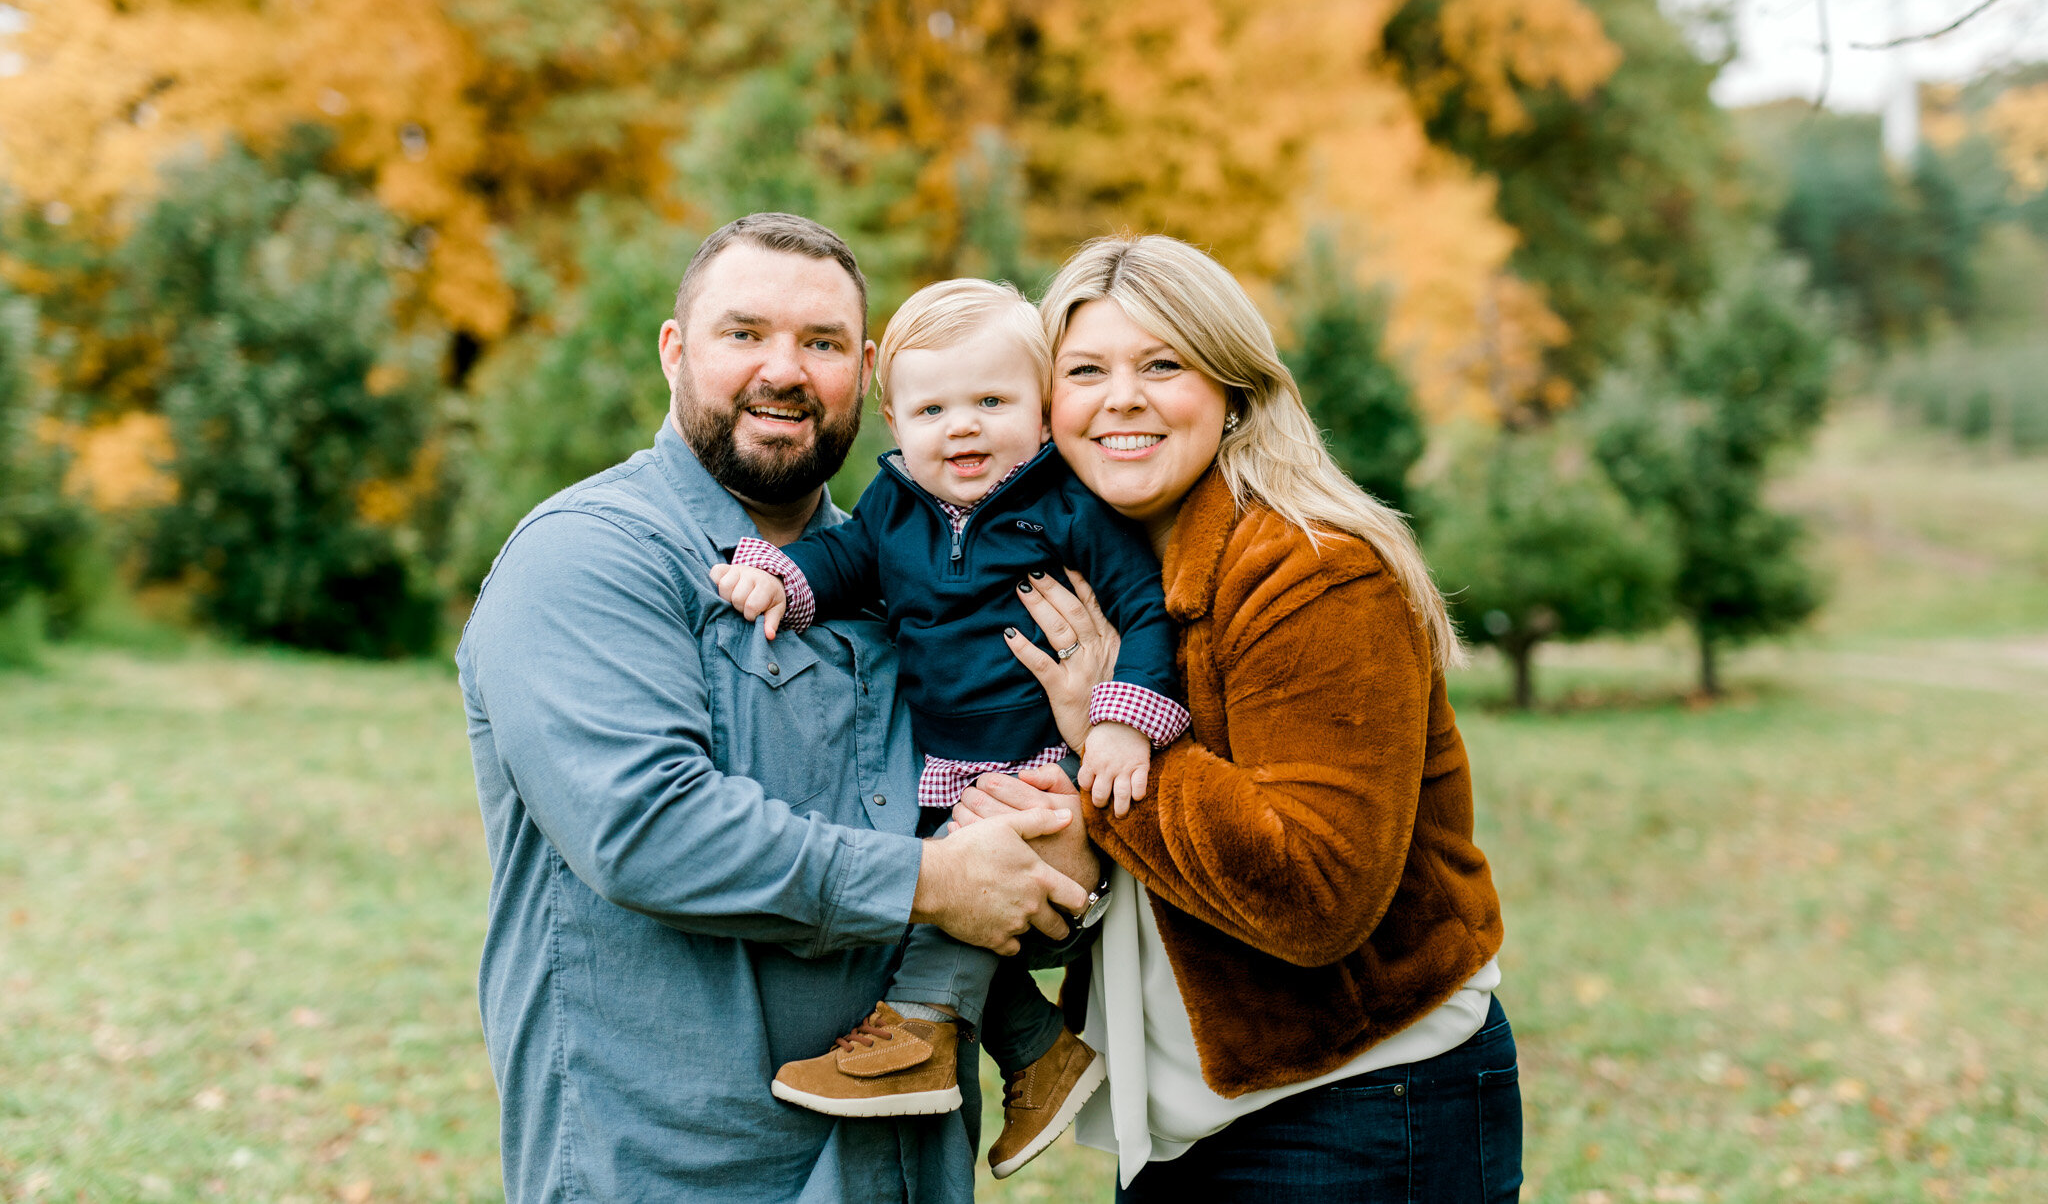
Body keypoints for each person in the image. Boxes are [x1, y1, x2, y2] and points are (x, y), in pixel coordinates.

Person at [455, 213, 1099, 1203]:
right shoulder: (588, 556)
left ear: (871, 374)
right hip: (680, 1164)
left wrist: (1074, 777)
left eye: (823, 344)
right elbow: (644, 827)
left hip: (901, 1168)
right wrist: (933, 881)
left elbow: (1010, 899)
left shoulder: (924, 579)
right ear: (675, 352)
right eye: (744, 334)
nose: (784, 371)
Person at [953, 234, 1521, 1201]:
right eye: (1086, 370)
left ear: (1234, 389)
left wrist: (1106, 740)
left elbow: (1314, 893)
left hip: (1359, 1101)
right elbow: (1138, 863)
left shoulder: (1310, 569)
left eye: (1162, 364)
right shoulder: (1093, 583)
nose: (1121, 397)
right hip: (1189, 1114)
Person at [713, 278, 1188, 1177]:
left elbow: (1146, 608)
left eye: (992, 401)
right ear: (895, 418)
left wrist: (1122, 723)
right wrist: (780, 577)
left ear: (1043, 413)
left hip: (1041, 755)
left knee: (946, 909)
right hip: (947, 765)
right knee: (935, 897)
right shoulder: (895, 506)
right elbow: (843, 559)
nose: (961, 426)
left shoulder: (1068, 505)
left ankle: (916, 1040)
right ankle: (1040, 1053)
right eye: (933, 407)